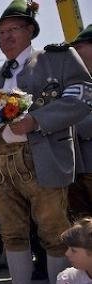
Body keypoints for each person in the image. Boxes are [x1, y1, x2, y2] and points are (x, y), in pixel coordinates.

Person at [0, 1, 92, 284]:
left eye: (13, 29)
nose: (6, 36)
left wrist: (37, 120)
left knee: (54, 236)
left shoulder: (56, 58)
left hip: (41, 156)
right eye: (1, 32)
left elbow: (82, 96)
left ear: (30, 30)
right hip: (1, 163)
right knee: (12, 235)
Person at [68, 24, 92, 220]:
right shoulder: (73, 83)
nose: (73, 53)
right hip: (75, 168)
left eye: (79, 47)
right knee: (82, 223)